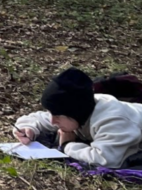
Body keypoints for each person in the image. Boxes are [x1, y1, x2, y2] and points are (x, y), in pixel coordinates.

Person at [13, 67, 142, 168]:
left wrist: (67, 145)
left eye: (57, 115)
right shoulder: (75, 114)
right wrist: (27, 128)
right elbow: (38, 118)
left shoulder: (114, 121)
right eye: (51, 113)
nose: (52, 121)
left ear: (76, 112)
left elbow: (106, 160)